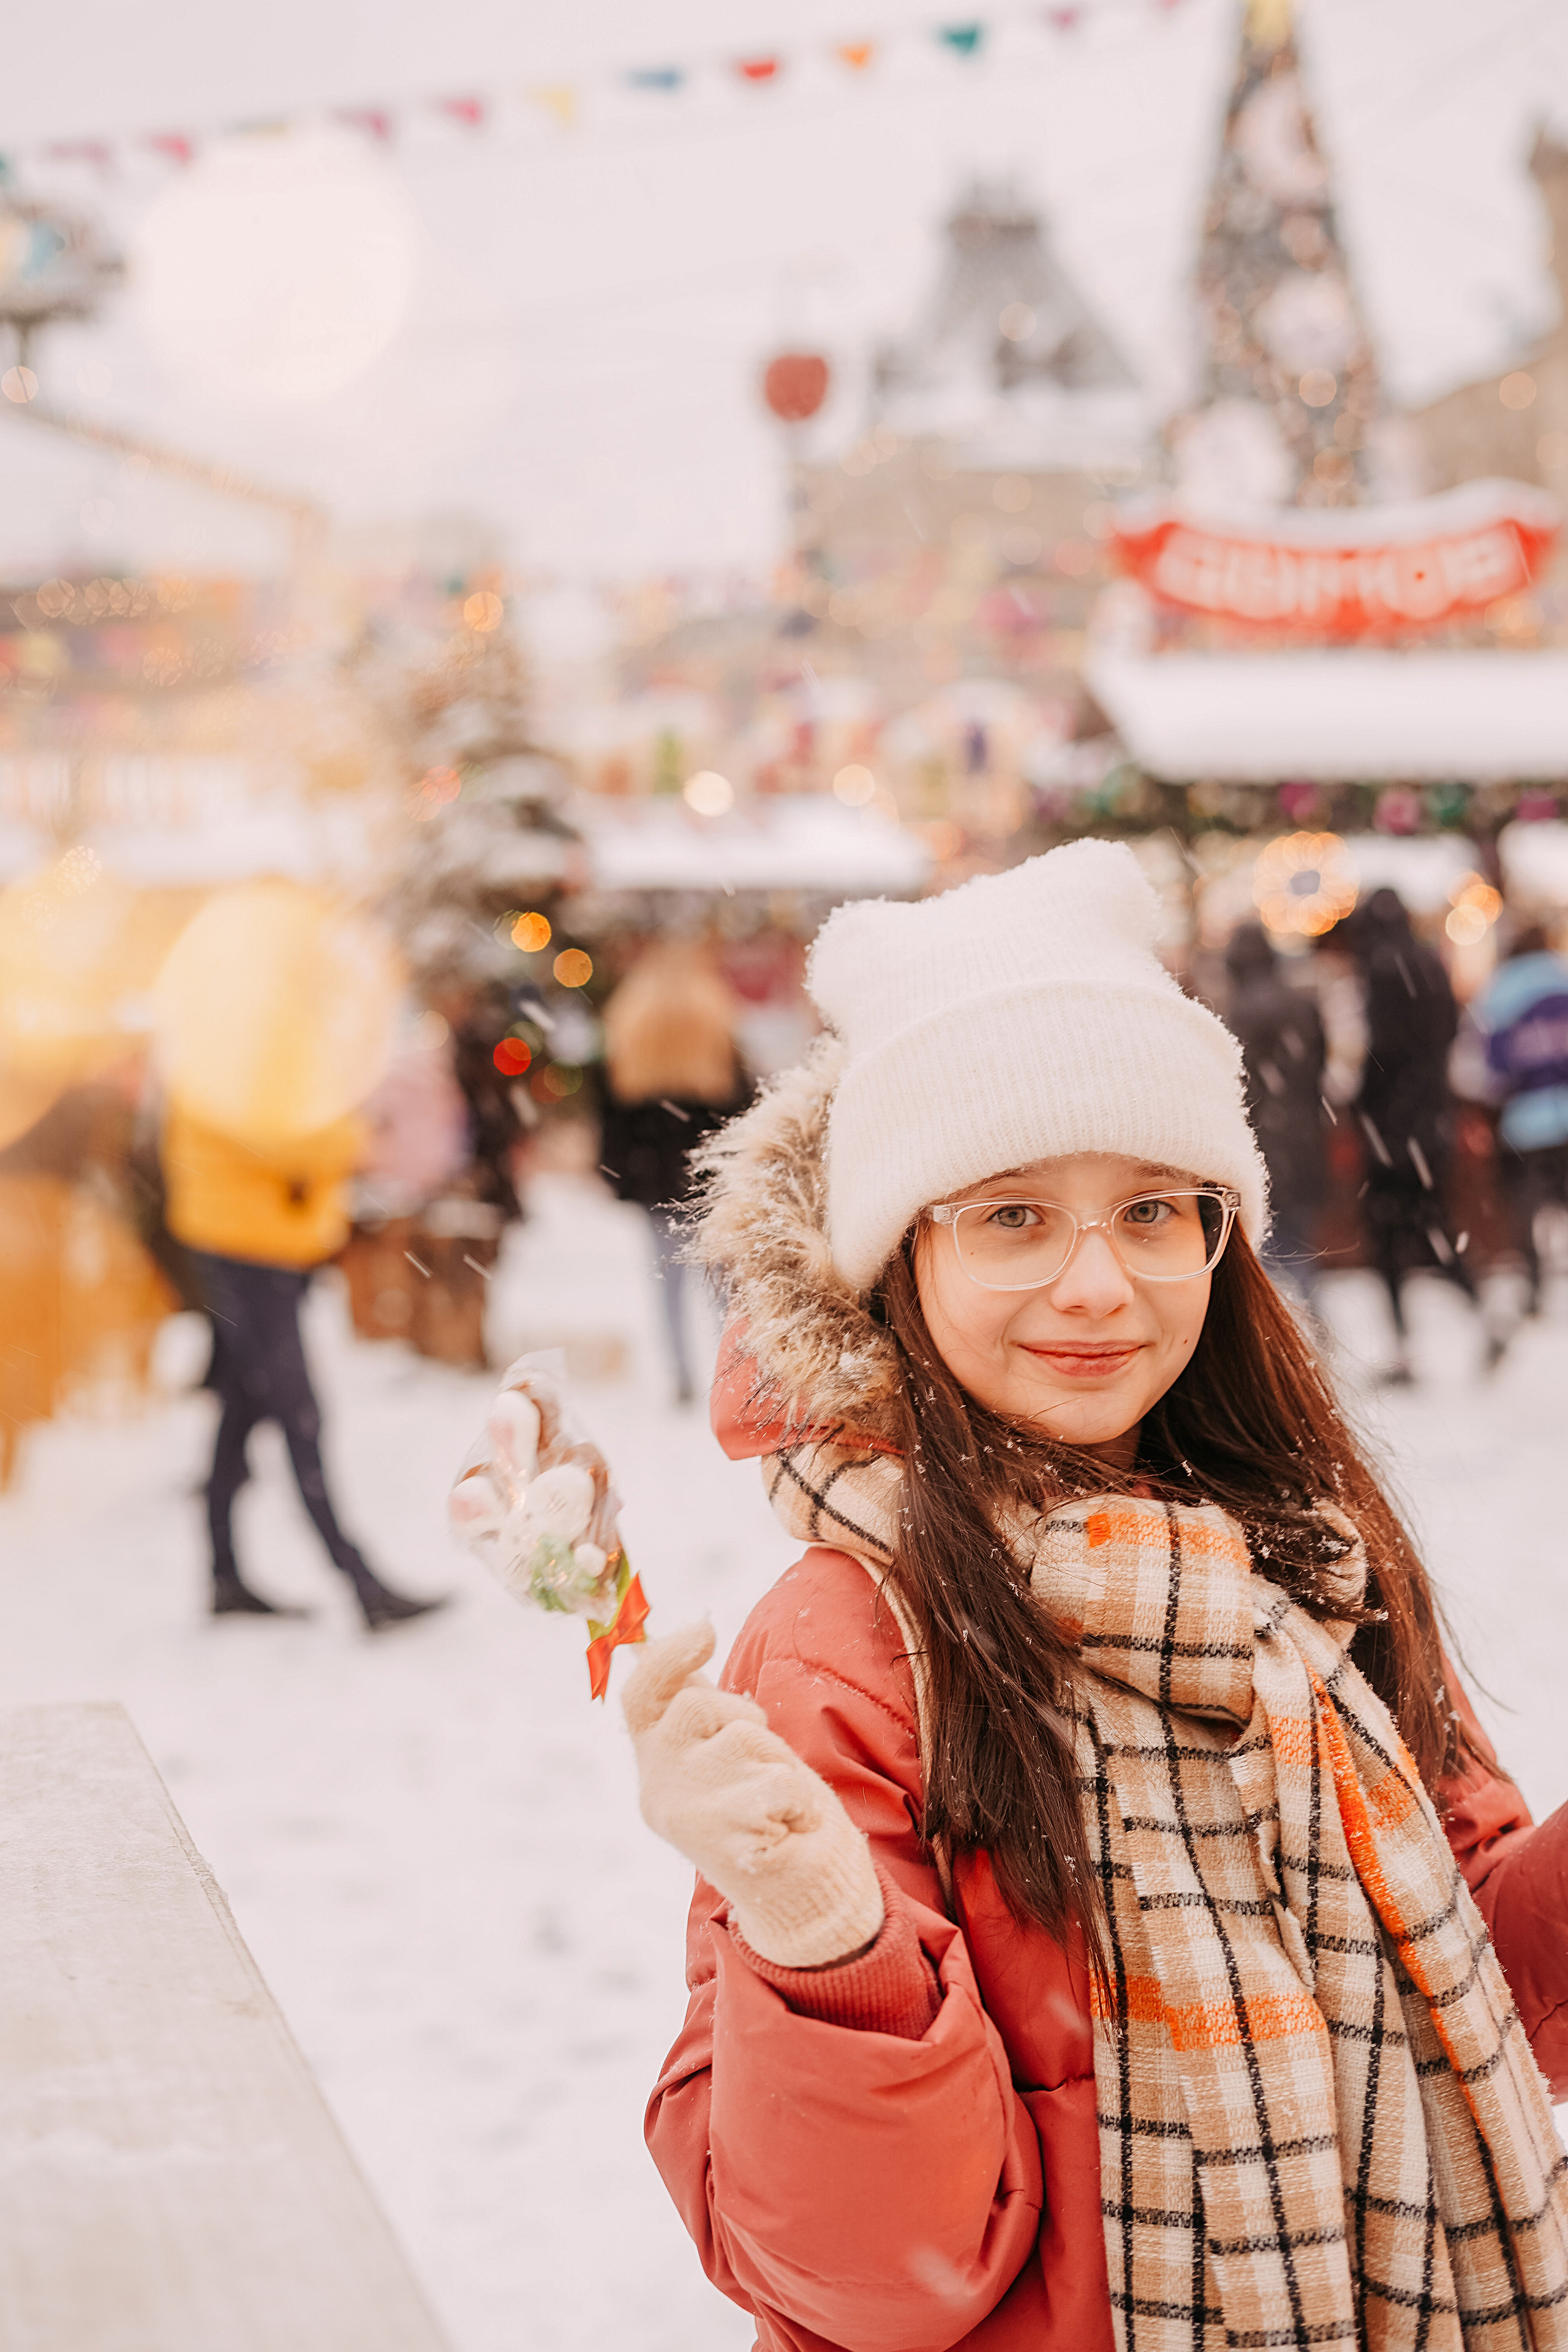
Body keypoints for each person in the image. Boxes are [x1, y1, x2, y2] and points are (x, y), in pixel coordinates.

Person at [620, 843, 1568, 2352]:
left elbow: (1493, 2004)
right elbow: (872, 2286)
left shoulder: (1304, 1567)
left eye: (1149, 1209)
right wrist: (820, 1932)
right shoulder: (848, 1644)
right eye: (1008, 1214)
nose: (1096, 1284)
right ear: (895, 1256)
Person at [162, 1101, 446, 1629]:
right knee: (300, 1415)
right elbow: (268, 1136)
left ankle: (225, 1574)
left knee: (243, 1409)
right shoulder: (223, 1053)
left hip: (256, 1244)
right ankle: (362, 1584)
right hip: (247, 1248)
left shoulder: (234, 1047)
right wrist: (347, 1136)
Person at [598, 941, 749, 1404]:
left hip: (654, 1177)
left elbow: (611, 1114)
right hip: (709, 1176)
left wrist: (618, 1174)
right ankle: (736, 1372)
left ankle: (680, 1374)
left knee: (667, 1280)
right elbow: (741, 1106)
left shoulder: (630, 1024)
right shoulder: (714, 1021)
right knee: (725, 1282)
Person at [1347, 886, 1480, 1378]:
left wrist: (1362, 1099)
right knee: (1432, 1228)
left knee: (1386, 1238)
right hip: (1432, 1122)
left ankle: (1403, 1346)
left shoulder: (1380, 971)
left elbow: (1379, 1056)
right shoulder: (1431, 964)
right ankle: (1480, 1310)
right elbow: (1450, 1034)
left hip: (1390, 1130)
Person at [1223, 921, 1328, 1308]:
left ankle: (1282, 1333)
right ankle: (1312, 1321)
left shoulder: (1241, 1011)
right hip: (1304, 1137)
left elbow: (1237, 1084)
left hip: (1262, 1141)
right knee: (1298, 1242)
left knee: (1266, 1244)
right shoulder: (1302, 1004)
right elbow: (1319, 1071)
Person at [1474, 923, 1568, 1314]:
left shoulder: (1500, 991)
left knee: (1527, 1210)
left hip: (1525, 1122)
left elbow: (1489, 1070)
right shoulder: (1563, 977)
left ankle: (1534, 1285)